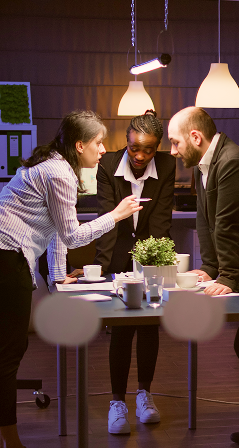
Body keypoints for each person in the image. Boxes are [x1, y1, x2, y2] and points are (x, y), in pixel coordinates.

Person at [0, 110, 142, 448]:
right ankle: (12, 441)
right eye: (98, 142)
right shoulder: (60, 173)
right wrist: (117, 215)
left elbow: (55, 234)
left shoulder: (52, 163)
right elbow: (74, 235)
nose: (104, 149)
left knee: (7, 350)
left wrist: (58, 282)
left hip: (7, 256)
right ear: (80, 145)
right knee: (9, 353)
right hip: (6, 259)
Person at [168, 106, 239, 447]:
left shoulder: (233, 162)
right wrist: (212, 268)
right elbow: (207, 223)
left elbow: (228, 225)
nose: (173, 151)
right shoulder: (205, 167)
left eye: (175, 143)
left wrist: (227, 276)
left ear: (195, 137)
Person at [70, 110, 176, 434]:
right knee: (122, 329)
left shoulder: (169, 166)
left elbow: (160, 223)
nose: (141, 156)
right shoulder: (107, 165)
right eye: (134, 148)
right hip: (116, 255)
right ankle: (117, 402)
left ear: (158, 146)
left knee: (149, 327)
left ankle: (145, 394)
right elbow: (108, 220)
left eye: (149, 149)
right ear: (126, 141)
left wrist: (157, 264)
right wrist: (99, 269)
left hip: (150, 254)